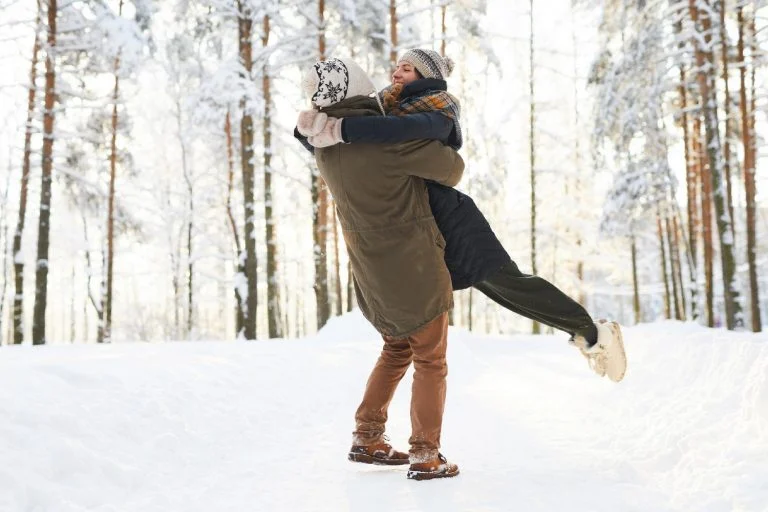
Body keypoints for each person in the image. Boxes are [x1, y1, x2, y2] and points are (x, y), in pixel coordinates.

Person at [296, 49, 627, 383]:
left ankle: (594, 334)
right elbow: (358, 151)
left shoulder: (438, 110)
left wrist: (341, 128)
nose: (396, 73)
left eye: (407, 69)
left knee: (508, 285)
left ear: (427, 77)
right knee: (490, 291)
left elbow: (392, 132)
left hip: (453, 221)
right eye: (396, 67)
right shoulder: (386, 110)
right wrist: (312, 129)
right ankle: (589, 333)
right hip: (422, 225)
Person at [297, 57, 462, 480]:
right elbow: (452, 169)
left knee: (397, 348)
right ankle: (426, 453)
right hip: (414, 265)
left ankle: (367, 436)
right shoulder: (387, 141)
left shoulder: (324, 145)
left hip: (371, 272)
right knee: (431, 359)